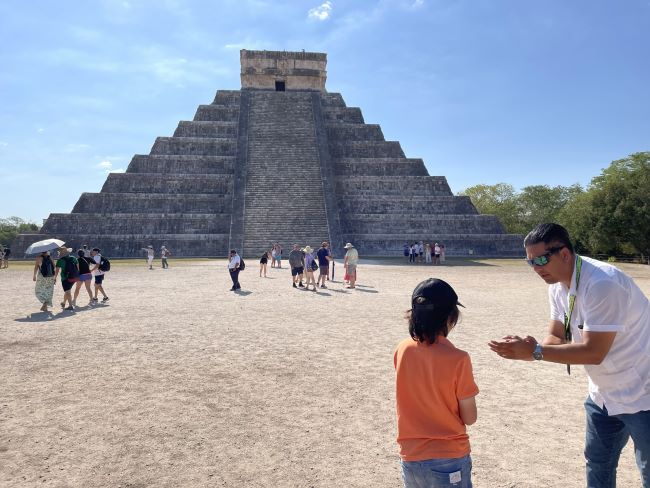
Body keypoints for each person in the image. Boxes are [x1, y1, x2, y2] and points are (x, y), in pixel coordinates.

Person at [488, 223, 650, 488]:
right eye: (530, 263)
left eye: (541, 259)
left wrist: (537, 352)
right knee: (598, 463)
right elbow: (557, 336)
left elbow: (593, 352)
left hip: (643, 391)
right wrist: (528, 349)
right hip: (603, 394)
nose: (537, 269)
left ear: (564, 253)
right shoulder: (557, 286)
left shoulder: (602, 283)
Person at [395, 278, 478, 488]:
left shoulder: (402, 349)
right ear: (451, 317)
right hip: (449, 457)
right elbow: (470, 417)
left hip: (410, 456)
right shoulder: (458, 358)